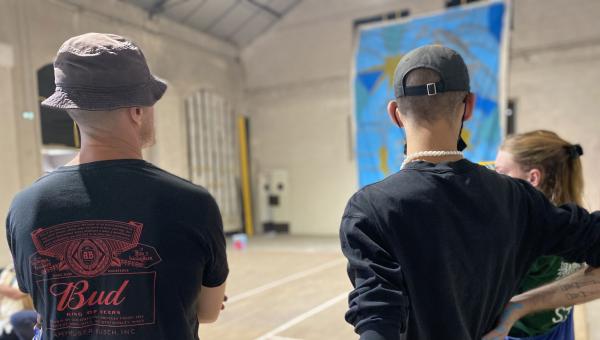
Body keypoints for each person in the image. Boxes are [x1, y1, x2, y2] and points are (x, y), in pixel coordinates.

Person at [339, 45, 600, 340]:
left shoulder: (371, 209)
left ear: (395, 114)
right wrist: (518, 308)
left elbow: (378, 319)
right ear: (470, 105)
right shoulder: (518, 199)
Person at [6, 33, 228, 340]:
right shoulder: (193, 203)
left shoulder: (25, 206)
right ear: (137, 111)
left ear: (72, 112)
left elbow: (38, 301)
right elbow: (208, 311)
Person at [494, 130, 585, 339]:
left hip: (521, 332)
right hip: (557, 323)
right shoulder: (575, 218)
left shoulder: (526, 236)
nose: (494, 180)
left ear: (533, 177)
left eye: (500, 172)